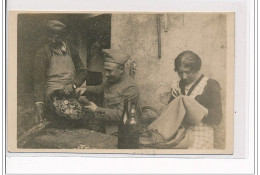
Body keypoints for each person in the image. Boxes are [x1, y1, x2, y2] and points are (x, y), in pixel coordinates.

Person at [77, 49, 139, 146]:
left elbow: (121, 115)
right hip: (103, 125)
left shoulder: (131, 88)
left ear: (121, 69)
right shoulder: (112, 79)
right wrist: (85, 89)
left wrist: (96, 109)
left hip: (118, 132)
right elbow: (100, 88)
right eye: (105, 70)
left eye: (109, 71)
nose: (106, 74)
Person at [33, 20, 87, 124]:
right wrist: (39, 103)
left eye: (56, 37)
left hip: (70, 92)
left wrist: (73, 85)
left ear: (63, 37)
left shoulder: (71, 50)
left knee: (76, 115)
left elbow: (82, 71)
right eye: (50, 37)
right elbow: (38, 81)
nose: (52, 40)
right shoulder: (43, 53)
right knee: (59, 118)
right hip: (52, 95)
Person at [169, 50, 223, 149]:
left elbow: (217, 118)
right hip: (181, 134)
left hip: (202, 135)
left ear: (196, 69)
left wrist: (198, 109)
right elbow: (170, 117)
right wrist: (175, 103)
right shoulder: (177, 85)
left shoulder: (210, 85)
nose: (184, 76)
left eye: (188, 72)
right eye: (180, 72)